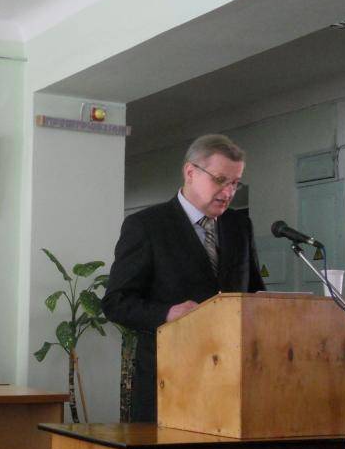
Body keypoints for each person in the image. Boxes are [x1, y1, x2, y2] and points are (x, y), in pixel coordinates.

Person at [102, 134, 265, 422]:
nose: (228, 192)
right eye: (220, 180)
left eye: (235, 183)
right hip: (169, 379)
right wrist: (167, 313)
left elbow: (253, 292)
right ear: (190, 172)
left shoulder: (239, 225)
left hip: (230, 381)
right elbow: (116, 302)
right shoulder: (147, 225)